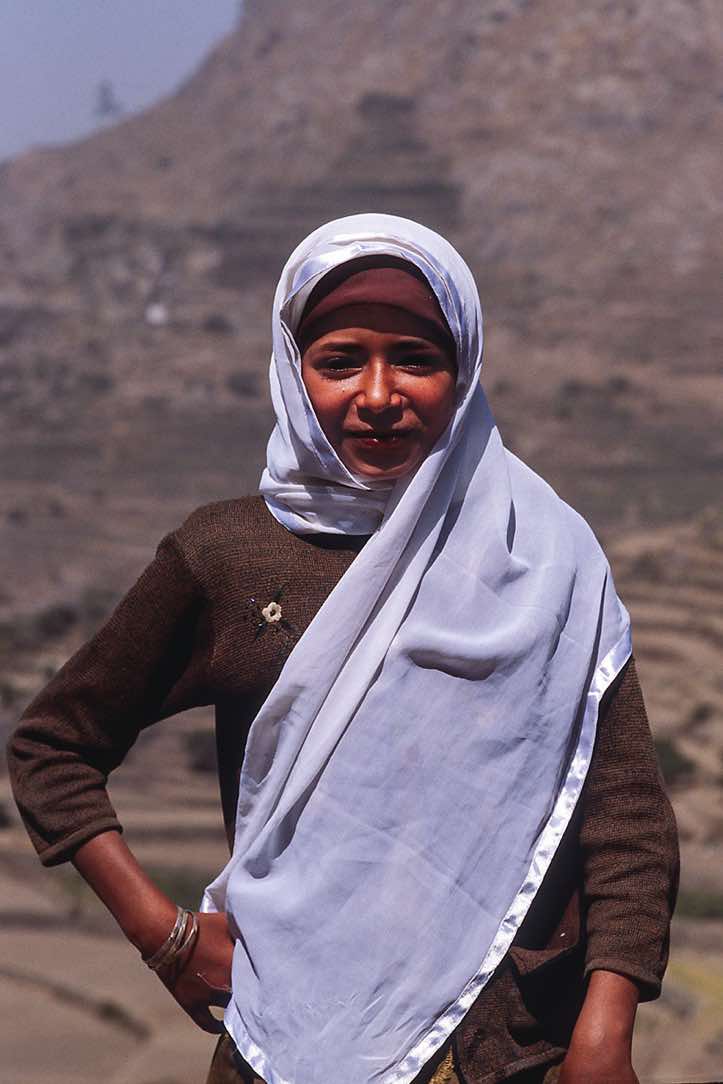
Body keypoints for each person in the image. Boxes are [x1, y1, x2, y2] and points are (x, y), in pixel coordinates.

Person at [7, 214, 679, 1084]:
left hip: (513, 1052)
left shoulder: (542, 556)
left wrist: (605, 1024)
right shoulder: (227, 558)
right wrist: (162, 936)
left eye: (415, 358)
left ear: (464, 369)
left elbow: (625, 815)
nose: (375, 394)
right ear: (293, 369)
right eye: (338, 361)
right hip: (283, 1045)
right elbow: (53, 748)